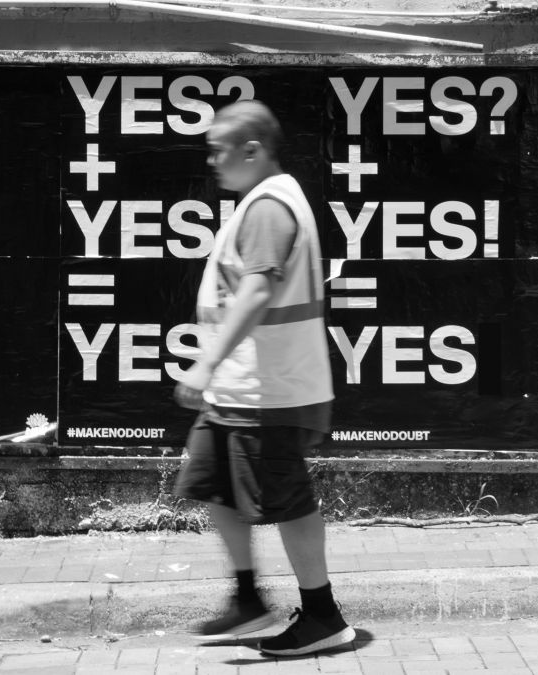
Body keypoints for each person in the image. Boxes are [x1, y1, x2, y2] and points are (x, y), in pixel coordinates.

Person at [172, 99, 354, 657]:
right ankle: (248, 599)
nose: (212, 162)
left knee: (287, 498)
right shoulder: (260, 202)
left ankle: (323, 616)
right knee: (213, 484)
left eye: (218, 151)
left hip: (271, 390)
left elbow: (256, 290)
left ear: (252, 150)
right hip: (242, 388)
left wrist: (204, 364)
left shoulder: (270, 208)